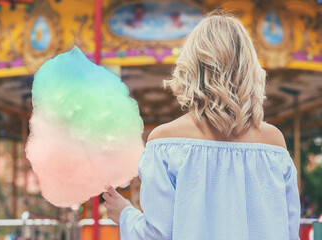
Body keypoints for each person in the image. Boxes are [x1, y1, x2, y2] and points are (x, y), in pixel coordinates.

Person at [103, 11, 300, 240]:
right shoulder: (274, 144)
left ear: (193, 66)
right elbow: (289, 232)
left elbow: (157, 236)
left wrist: (124, 214)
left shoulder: (166, 143)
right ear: (249, 67)